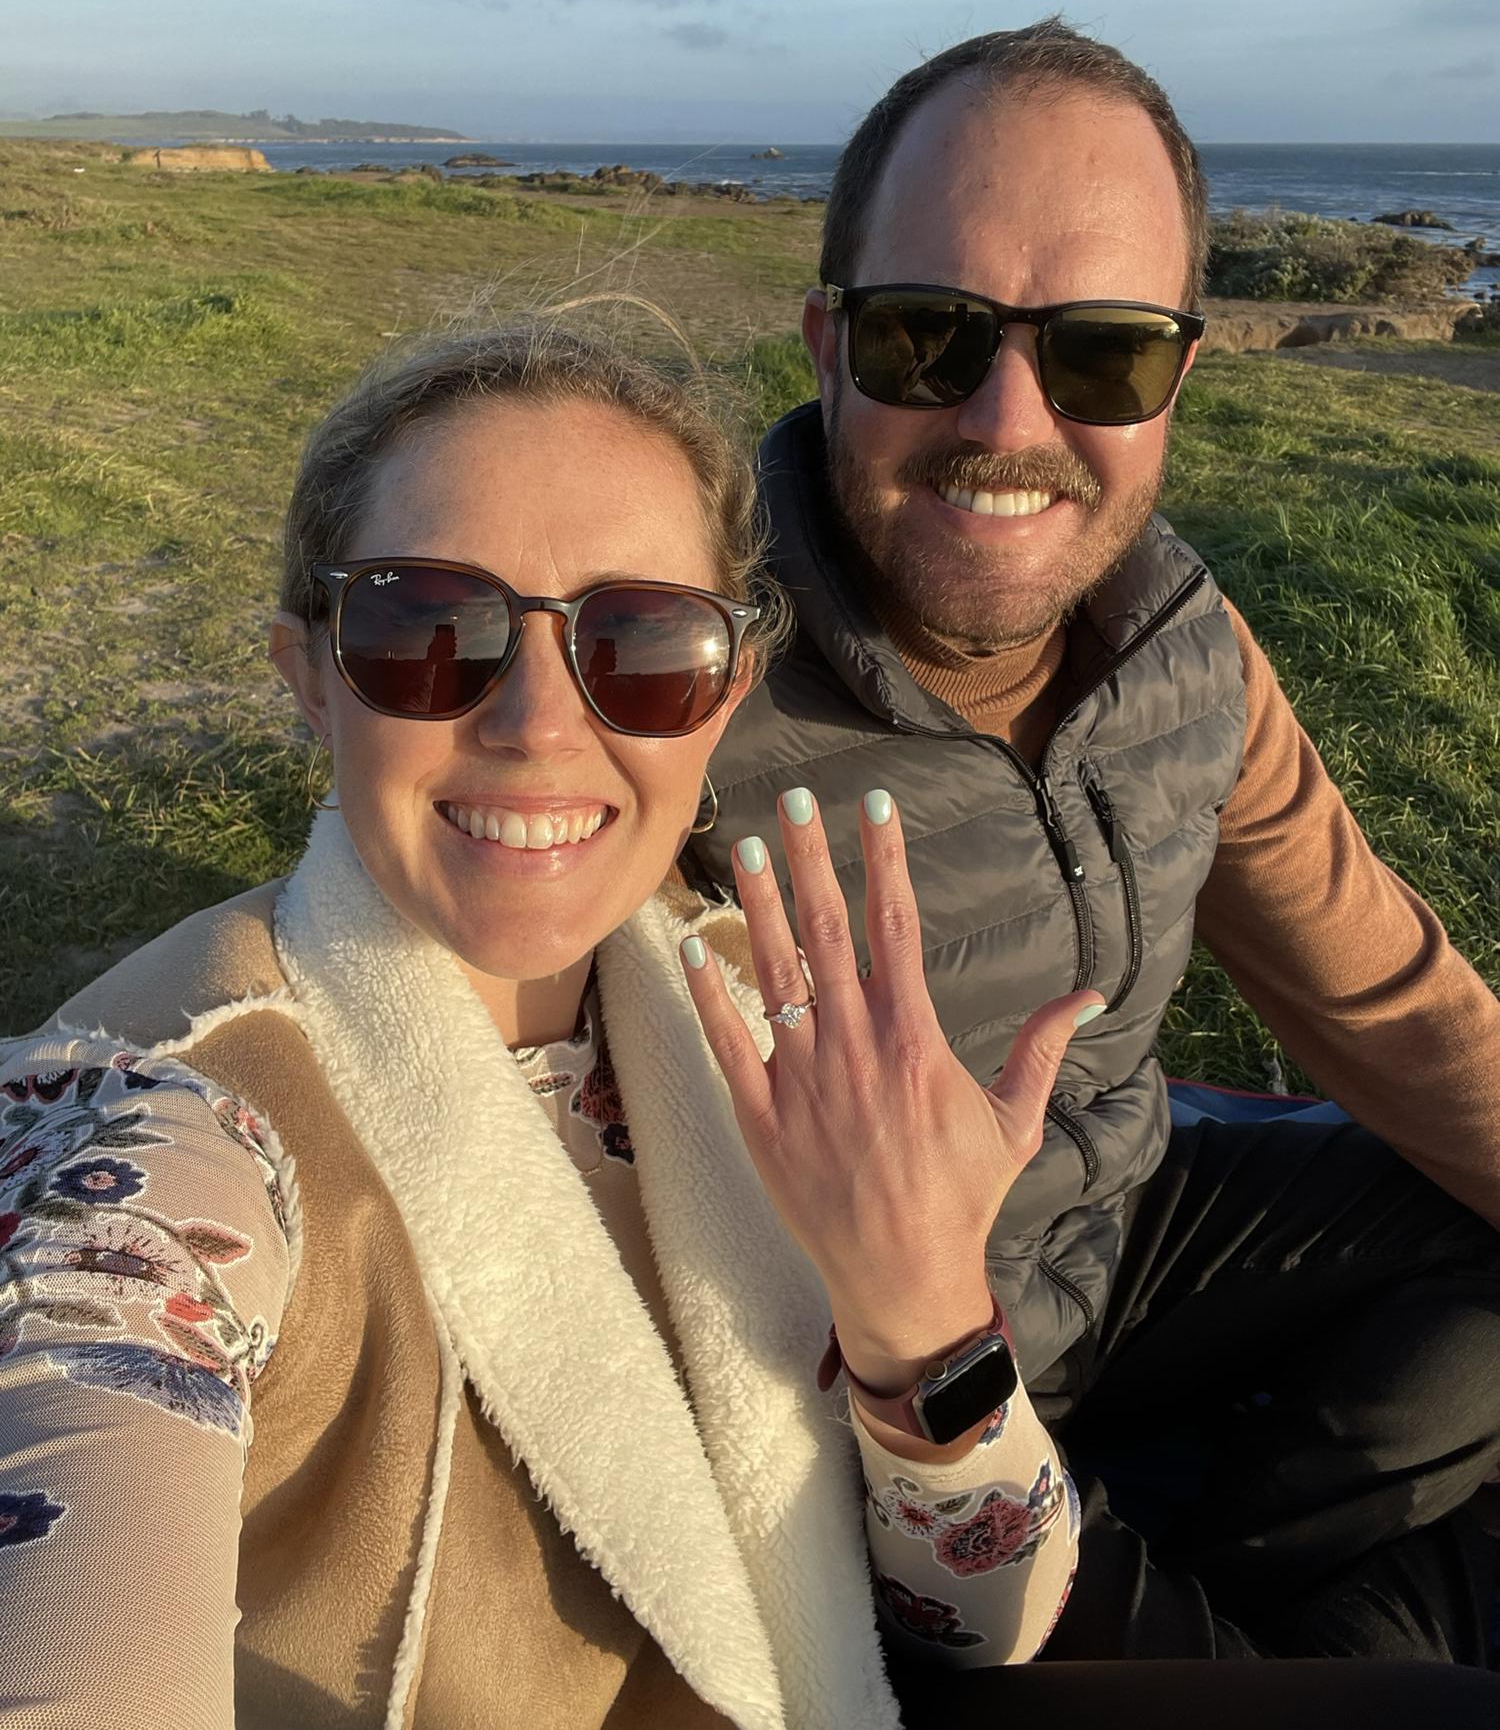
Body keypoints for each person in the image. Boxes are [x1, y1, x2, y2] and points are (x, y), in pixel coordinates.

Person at [0, 324, 1102, 1727]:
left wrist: (923, 1317)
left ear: (722, 697)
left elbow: (996, 1623)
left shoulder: (760, 1018)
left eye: (640, 644)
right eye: (426, 631)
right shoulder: (153, 1127)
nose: (536, 723)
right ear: (312, 677)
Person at [684, 19, 1500, 1666]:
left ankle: (1257, 1612)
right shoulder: (677, 682)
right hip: (855, 1408)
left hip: (1121, 1244)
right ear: (829, 347)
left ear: (1179, 377)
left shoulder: (1177, 649)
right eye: (928, 335)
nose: (1009, 416)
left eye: (1103, 354)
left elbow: (1387, 1003)